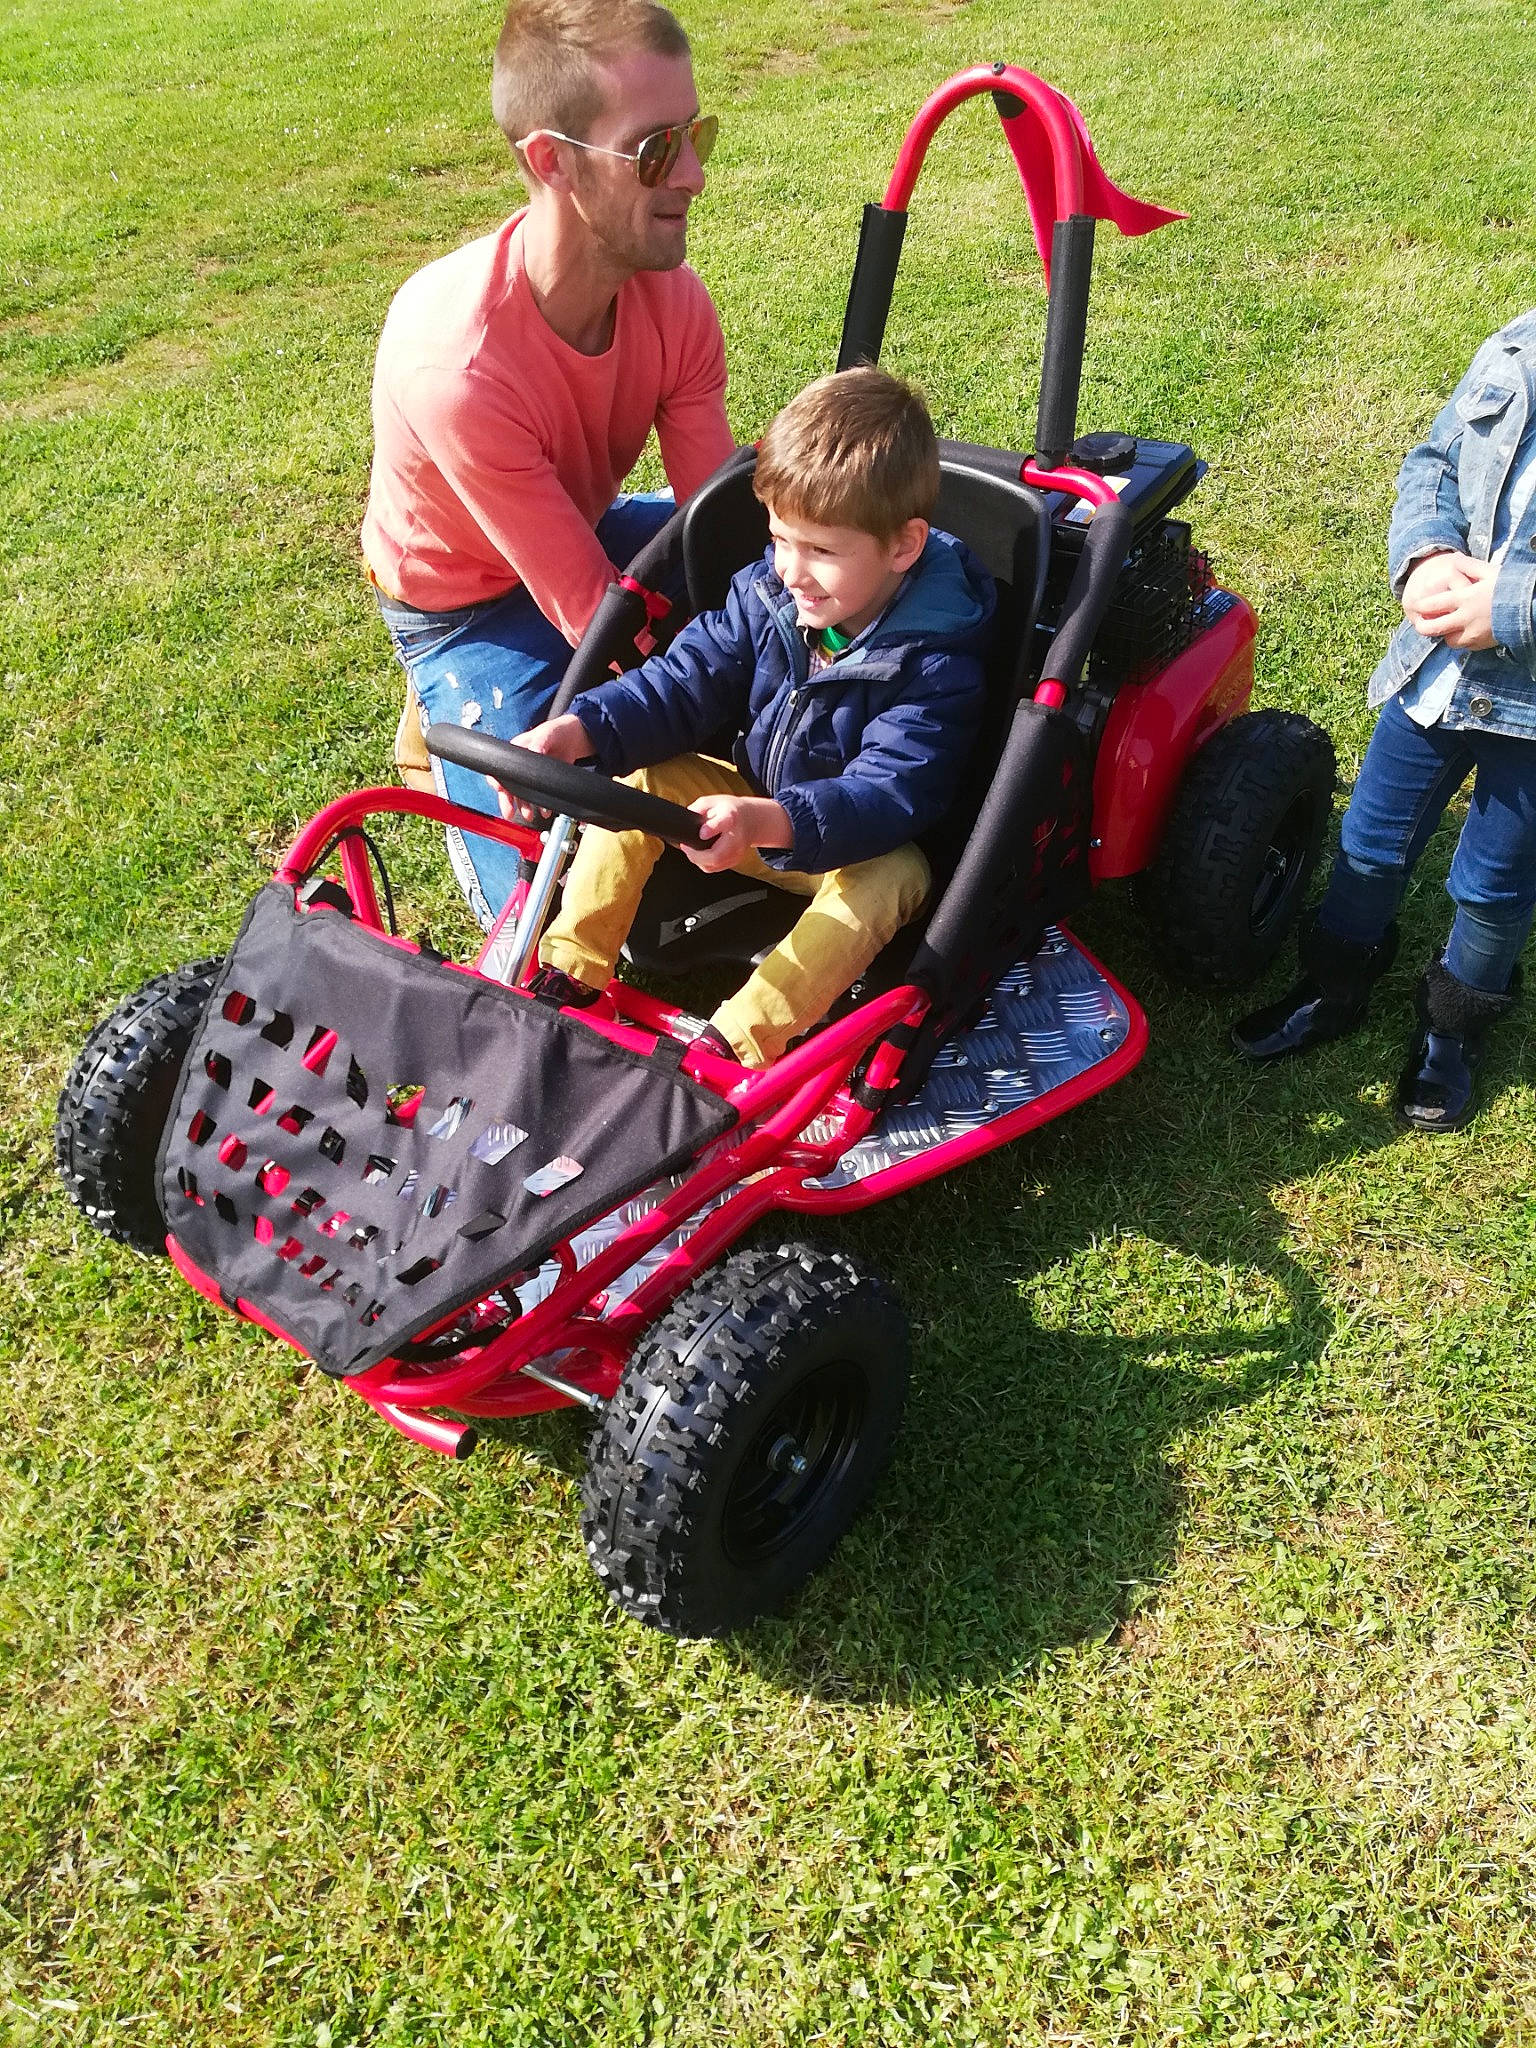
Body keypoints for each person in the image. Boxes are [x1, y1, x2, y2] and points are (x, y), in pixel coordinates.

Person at [360, 0, 735, 926]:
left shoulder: (675, 301)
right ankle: (444, 723)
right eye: (655, 149)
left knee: (814, 563)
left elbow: (726, 538)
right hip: (464, 607)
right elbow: (596, 619)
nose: (693, 175)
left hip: (590, 534)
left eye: (695, 135)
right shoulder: (459, 366)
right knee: (550, 894)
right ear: (551, 160)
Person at [502, 367, 995, 1068]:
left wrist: (767, 820)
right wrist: (579, 730)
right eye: (781, 539)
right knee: (651, 776)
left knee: (896, 876)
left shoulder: (934, 661)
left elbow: (887, 794)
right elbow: (682, 683)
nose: (792, 570)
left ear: (903, 547)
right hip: (755, 810)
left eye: (820, 550)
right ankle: (566, 973)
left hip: (857, 846)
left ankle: (735, 1045)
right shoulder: (770, 594)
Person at [1233, 311, 1536, 1131]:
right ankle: (1333, 984)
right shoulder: (1518, 344)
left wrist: (1515, 605)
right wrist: (1427, 552)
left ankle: (1453, 1028)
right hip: (1437, 673)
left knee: (1495, 882)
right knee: (1371, 838)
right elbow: (1437, 460)